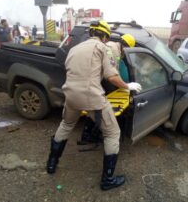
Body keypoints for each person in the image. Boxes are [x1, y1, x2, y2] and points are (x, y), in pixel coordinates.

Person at [46, 20, 142, 191]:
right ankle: (107, 180)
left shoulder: (74, 49)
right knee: (113, 133)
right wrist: (128, 86)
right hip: (91, 97)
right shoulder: (103, 48)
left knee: (66, 125)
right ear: (104, 36)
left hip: (70, 95)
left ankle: (51, 164)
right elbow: (112, 76)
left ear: (91, 33)